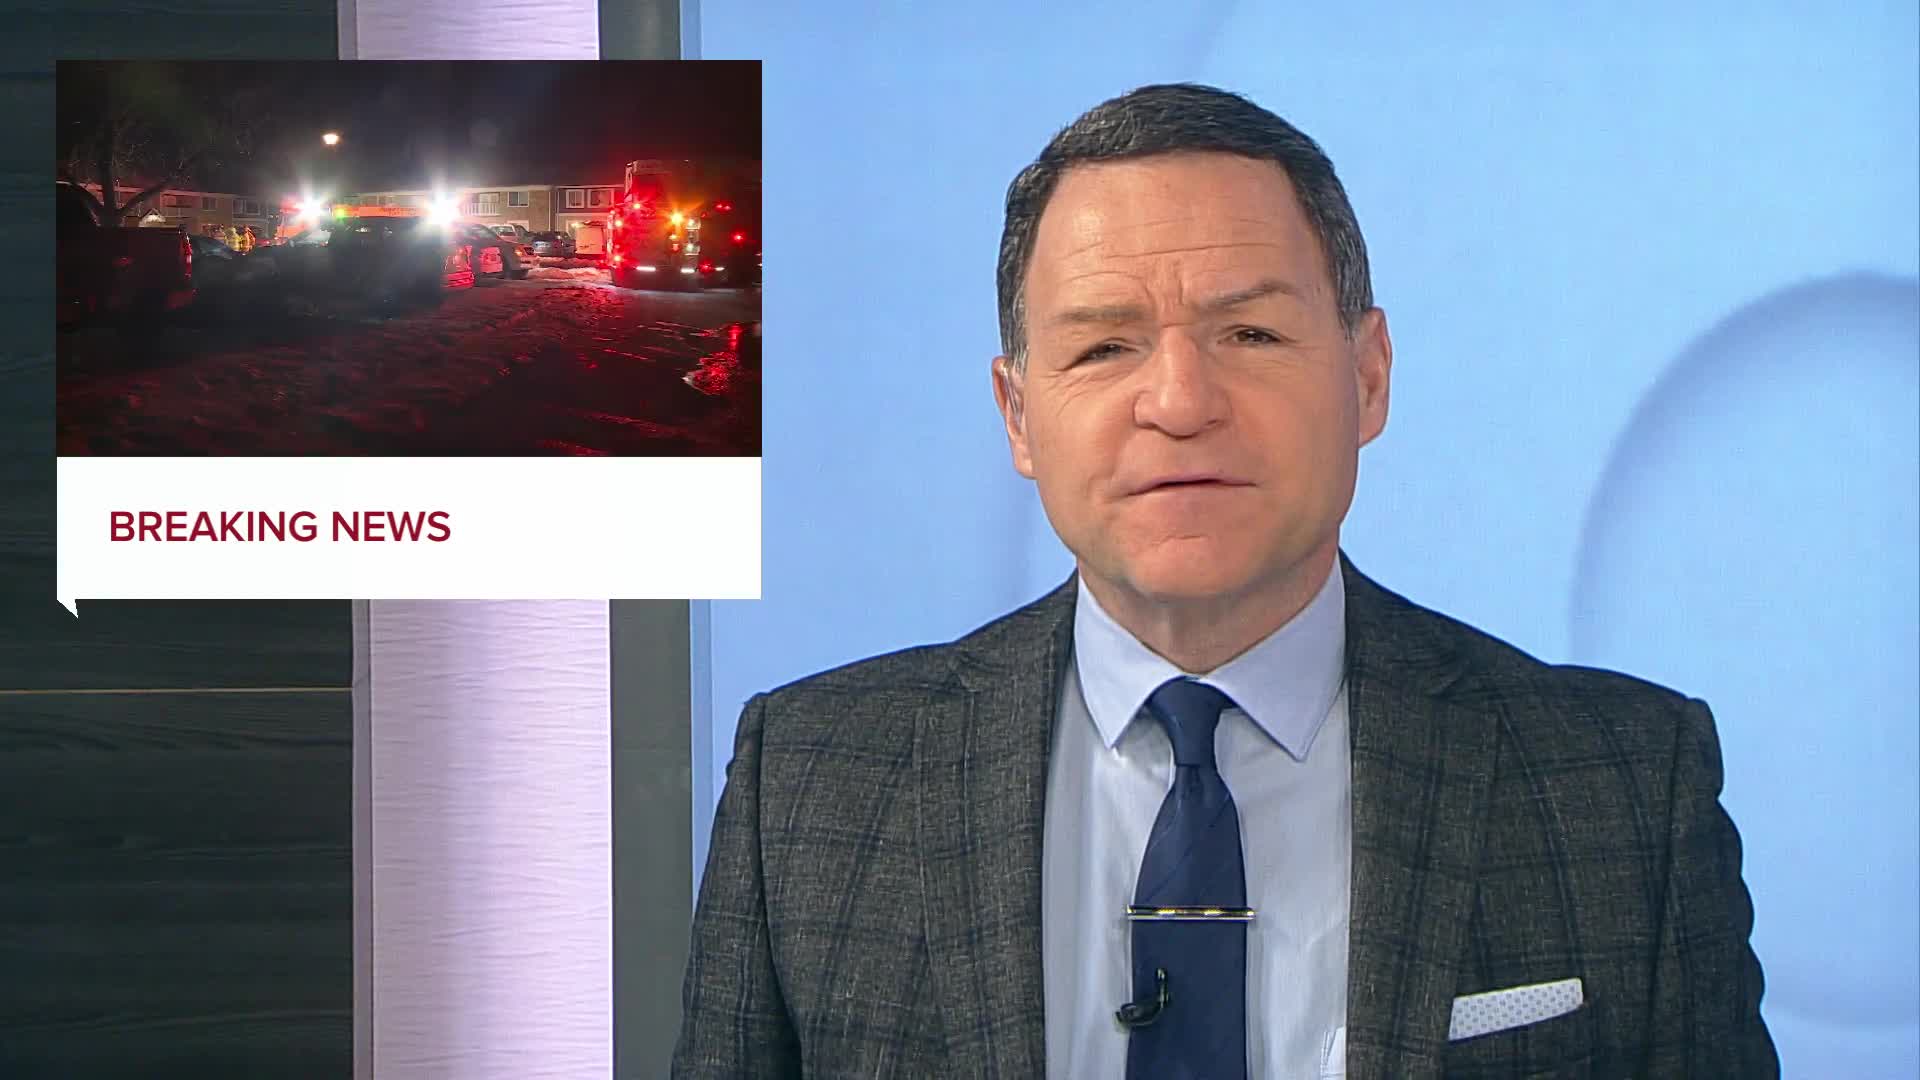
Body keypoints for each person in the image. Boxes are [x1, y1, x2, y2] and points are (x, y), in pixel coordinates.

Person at [672, 83, 1777, 1078]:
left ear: (1369, 377)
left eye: (1249, 332)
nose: (1180, 401)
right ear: (1018, 415)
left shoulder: (1625, 783)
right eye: (1104, 348)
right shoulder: (810, 782)